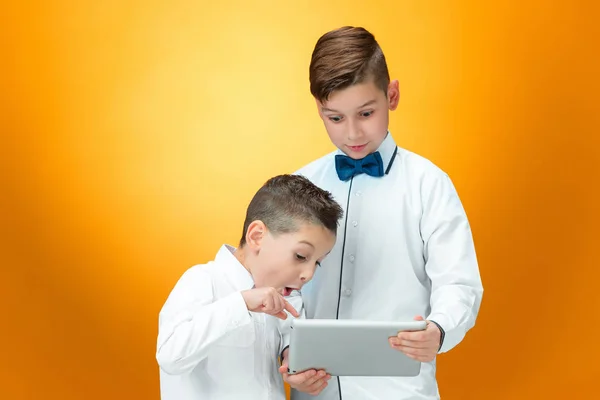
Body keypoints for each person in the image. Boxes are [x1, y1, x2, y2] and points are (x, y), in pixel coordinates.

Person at [280, 26, 484, 400]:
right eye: (335, 118)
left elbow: (459, 284)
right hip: (316, 391)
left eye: (366, 113)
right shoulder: (300, 186)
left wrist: (438, 329)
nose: (353, 133)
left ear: (392, 95)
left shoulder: (429, 184)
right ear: (319, 111)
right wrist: (287, 350)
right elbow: (281, 287)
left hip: (400, 391)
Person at [156, 174, 343, 400]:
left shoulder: (286, 297)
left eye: (318, 262)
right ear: (256, 236)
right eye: (301, 255)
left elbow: (290, 338)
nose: (309, 274)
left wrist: (293, 358)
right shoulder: (202, 280)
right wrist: (241, 303)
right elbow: (170, 357)